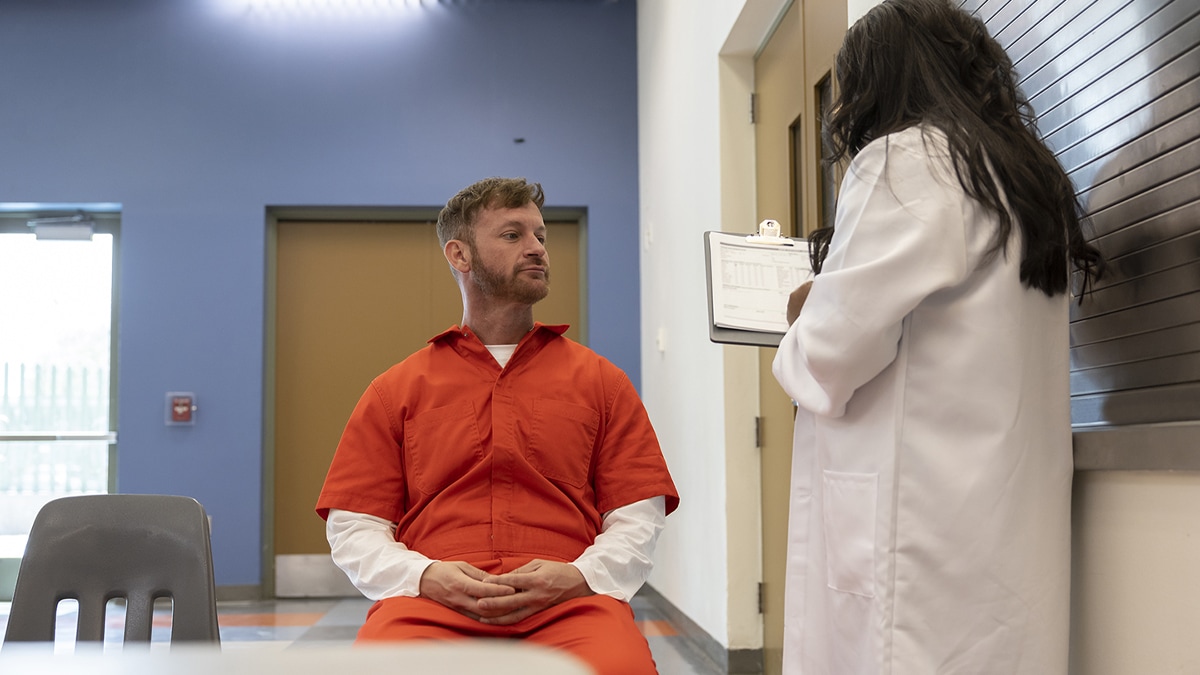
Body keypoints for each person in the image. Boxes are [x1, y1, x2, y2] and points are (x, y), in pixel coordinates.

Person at [771, 1, 1104, 673]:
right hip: (994, 517)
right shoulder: (1020, 177)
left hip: (917, 526)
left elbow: (834, 355)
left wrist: (803, 316)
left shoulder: (909, 158)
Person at [315, 177, 679, 675]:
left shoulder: (602, 383)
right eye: (513, 236)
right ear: (460, 255)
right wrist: (424, 576)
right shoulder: (395, 391)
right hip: (432, 604)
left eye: (541, 236)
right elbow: (354, 524)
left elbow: (638, 513)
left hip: (569, 600)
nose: (536, 249)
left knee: (620, 668)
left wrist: (579, 575)